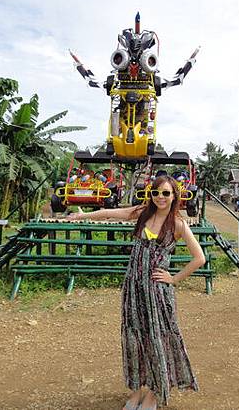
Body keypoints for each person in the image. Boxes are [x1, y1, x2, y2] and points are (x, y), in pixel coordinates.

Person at [67, 175, 205, 410]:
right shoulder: (142, 213)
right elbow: (109, 213)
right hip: (133, 289)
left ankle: (154, 392)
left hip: (157, 294)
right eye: (156, 193)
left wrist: (173, 279)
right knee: (134, 340)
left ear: (174, 196)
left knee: (156, 340)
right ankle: (138, 390)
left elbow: (199, 258)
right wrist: (82, 215)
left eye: (166, 193)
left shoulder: (178, 224)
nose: (160, 197)